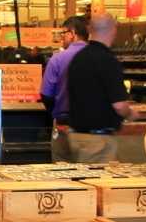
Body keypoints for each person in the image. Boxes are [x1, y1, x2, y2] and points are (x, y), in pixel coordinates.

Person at [64, 13, 137, 163]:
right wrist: (131, 114)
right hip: (97, 141)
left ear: (90, 29)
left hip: (75, 136)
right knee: (99, 182)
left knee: (84, 182)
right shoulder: (107, 60)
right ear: (114, 30)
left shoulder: (78, 58)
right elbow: (119, 106)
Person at [39, 16, 88, 162]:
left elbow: (46, 95)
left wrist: (56, 112)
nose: (61, 38)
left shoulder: (58, 59)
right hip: (93, 132)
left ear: (72, 33)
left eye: (63, 33)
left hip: (64, 127)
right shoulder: (99, 57)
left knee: (62, 173)